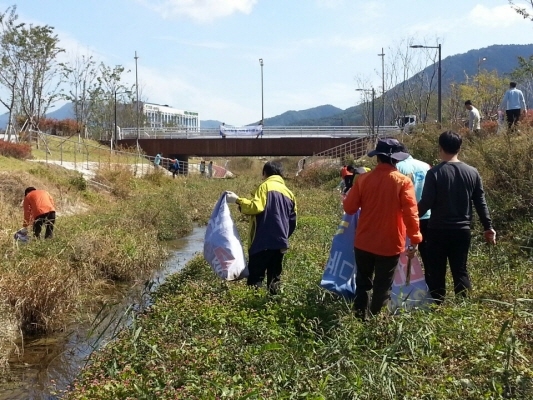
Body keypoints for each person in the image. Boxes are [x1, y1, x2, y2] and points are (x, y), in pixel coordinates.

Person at [343, 138, 421, 320]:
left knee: (363, 283)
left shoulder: (363, 179)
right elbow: (411, 213)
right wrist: (415, 239)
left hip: (364, 241)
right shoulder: (403, 182)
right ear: (397, 159)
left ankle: (360, 317)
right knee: (382, 286)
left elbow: (349, 208)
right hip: (390, 243)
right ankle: (375, 322)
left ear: (377, 157)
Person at [418, 131, 496, 304]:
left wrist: (409, 219)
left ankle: (437, 305)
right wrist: (488, 227)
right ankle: (463, 306)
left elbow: (426, 203)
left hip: (437, 230)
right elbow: (480, 202)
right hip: (462, 230)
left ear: (440, 147)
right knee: (460, 270)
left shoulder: (435, 173)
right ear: (459, 148)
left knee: (436, 271)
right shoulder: (472, 172)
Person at [226, 161, 297, 295]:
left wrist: (238, 200)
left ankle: (253, 304)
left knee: (255, 277)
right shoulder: (289, 193)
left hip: (261, 242)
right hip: (280, 244)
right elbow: (293, 221)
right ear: (281, 174)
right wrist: (283, 237)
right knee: (274, 279)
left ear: (264, 173)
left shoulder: (265, 187)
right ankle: (274, 303)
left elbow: (256, 207)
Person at [396, 145, 431, 269]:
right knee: (428, 255)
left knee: (403, 255)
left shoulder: (396, 168)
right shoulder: (426, 166)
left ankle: (407, 280)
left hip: (405, 218)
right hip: (426, 215)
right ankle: (429, 279)